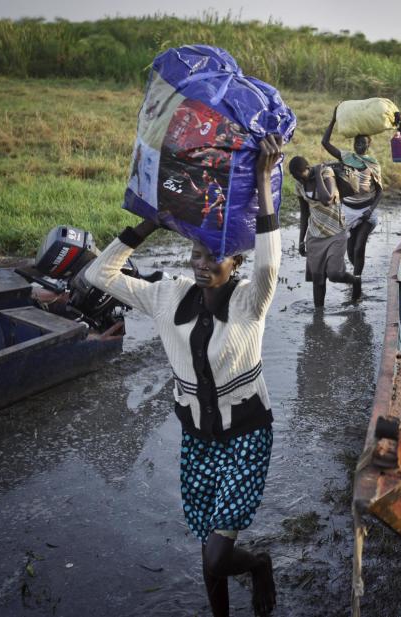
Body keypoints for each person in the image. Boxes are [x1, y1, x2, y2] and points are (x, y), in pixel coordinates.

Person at [83, 134, 284, 617]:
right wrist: (151, 220)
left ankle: (257, 564)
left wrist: (262, 179)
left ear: (234, 263)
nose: (201, 263)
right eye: (195, 254)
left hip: (247, 435)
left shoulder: (249, 302)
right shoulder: (167, 295)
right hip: (197, 437)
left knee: (219, 552)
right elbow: (99, 275)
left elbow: (270, 261)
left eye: (213, 256)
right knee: (206, 546)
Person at [322, 106, 385, 298]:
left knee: (359, 248)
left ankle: (357, 281)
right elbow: (325, 142)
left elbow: (380, 191)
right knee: (350, 250)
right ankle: (356, 277)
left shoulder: (373, 163)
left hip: (367, 210)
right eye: (357, 143)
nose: (359, 146)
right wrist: (333, 120)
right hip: (348, 209)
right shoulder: (346, 157)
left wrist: (370, 210)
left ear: (369, 144)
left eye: (363, 143)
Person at [290, 156, 362, 306]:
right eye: (295, 177)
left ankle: (355, 281)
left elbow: (327, 199)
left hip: (336, 231)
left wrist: (317, 175)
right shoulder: (299, 185)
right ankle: (318, 317)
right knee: (318, 279)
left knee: (335, 274)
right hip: (315, 235)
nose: (299, 180)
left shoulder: (326, 173)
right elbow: (304, 213)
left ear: (308, 168)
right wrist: (301, 240)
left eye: (300, 175)